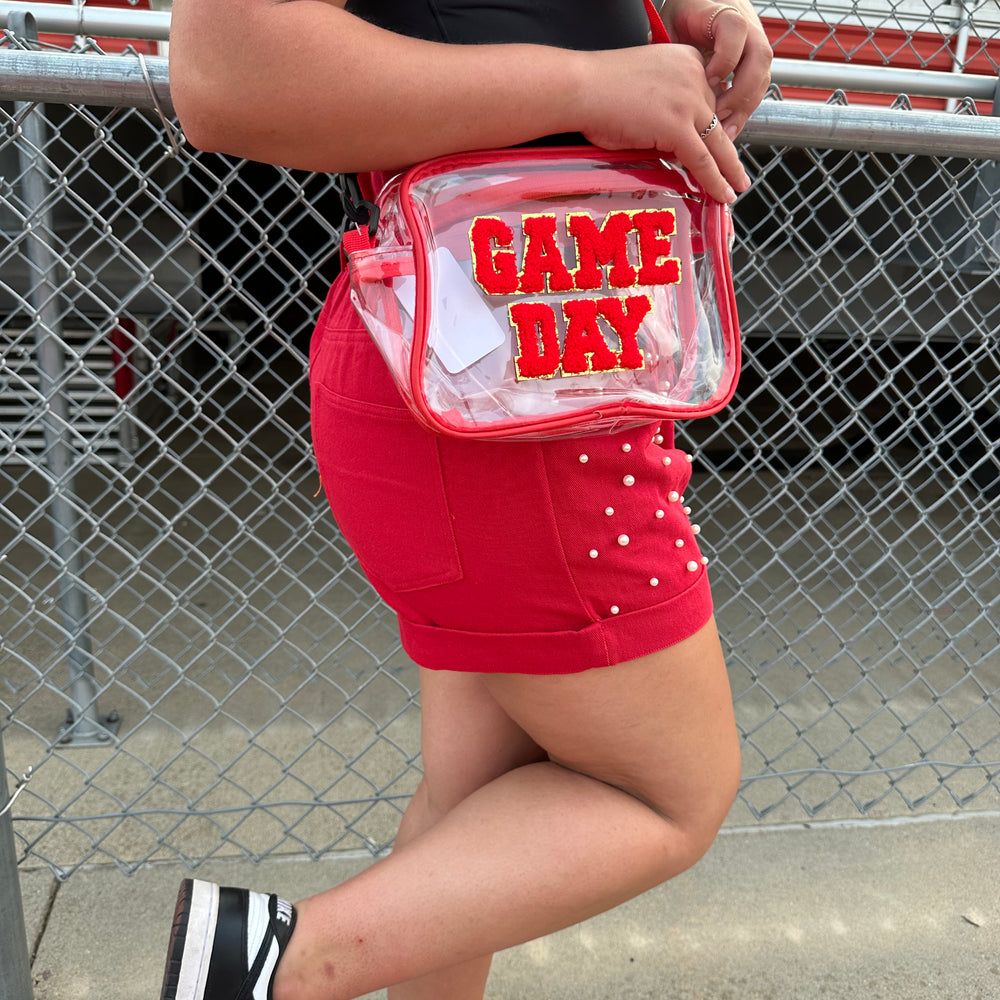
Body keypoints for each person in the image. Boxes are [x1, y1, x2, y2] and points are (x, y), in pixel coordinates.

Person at [159, 1, 772, 999]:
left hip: (507, 363)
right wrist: (587, 84)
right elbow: (226, 73)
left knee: (473, 800)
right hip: (509, 397)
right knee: (668, 793)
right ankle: (268, 969)